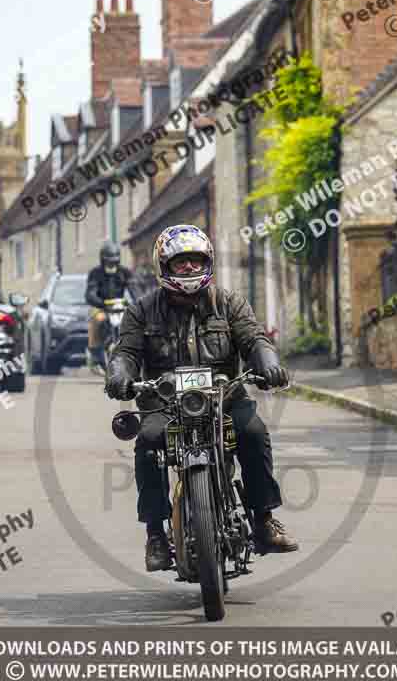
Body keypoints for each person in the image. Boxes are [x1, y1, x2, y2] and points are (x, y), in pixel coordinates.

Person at [105, 224, 298, 572]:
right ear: (165, 267)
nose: (191, 268)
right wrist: (119, 374)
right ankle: (156, 536)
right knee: (147, 443)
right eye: (181, 263)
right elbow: (127, 351)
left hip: (224, 400)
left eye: (196, 260)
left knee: (254, 433)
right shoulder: (142, 311)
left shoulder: (228, 302)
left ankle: (264, 520)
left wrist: (269, 364)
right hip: (165, 405)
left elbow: (254, 339)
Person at [85, 242, 133, 369]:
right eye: (108, 261)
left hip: (120, 307)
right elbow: (90, 293)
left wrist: (137, 303)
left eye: (114, 261)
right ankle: (95, 351)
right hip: (101, 307)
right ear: (102, 260)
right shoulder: (95, 273)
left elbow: (134, 290)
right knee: (97, 319)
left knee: (134, 322)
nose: (111, 264)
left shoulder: (125, 272)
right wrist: (100, 302)